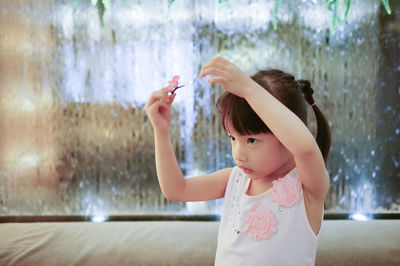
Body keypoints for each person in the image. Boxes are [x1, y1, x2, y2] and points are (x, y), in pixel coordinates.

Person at [145, 57, 331, 266]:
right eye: (233, 138)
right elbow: (176, 190)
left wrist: (249, 89)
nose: (238, 154)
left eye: (252, 140)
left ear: (287, 132)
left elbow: (305, 148)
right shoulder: (234, 180)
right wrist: (160, 132)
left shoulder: (308, 188)